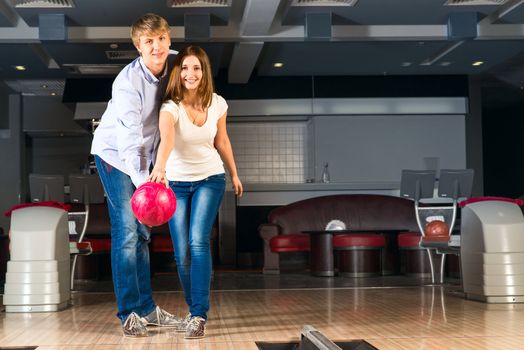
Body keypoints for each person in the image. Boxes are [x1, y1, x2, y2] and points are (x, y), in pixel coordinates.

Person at [90, 13, 182, 337]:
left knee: (144, 234)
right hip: (115, 155)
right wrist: (147, 185)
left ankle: (147, 309)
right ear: (138, 46)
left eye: (160, 39)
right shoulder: (127, 84)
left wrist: (164, 168)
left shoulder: (178, 65)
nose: (156, 47)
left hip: (148, 156)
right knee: (129, 230)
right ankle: (129, 312)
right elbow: (131, 143)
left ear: (169, 39)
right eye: (148, 42)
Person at [149, 45, 243, 339]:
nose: (191, 74)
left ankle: (199, 314)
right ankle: (193, 310)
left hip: (210, 178)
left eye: (197, 68)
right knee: (181, 253)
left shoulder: (218, 104)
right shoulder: (170, 107)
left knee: (198, 241)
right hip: (174, 183)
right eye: (185, 68)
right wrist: (160, 168)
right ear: (178, 72)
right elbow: (166, 140)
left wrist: (235, 174)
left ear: (205, 72)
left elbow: (223, 141)